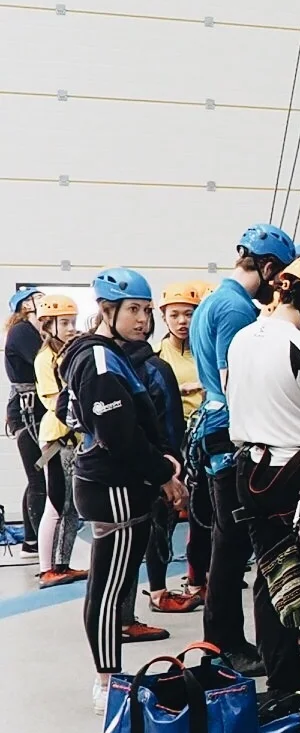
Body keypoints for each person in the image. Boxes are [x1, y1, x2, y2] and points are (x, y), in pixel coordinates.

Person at [57, 270, 188, 709]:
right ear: (107, 311)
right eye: (134, 309)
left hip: (111, 478)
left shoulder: (101, 355)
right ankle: (106, 682)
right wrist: (162, 474)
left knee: (110, 582)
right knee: (111, 587)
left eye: (147, 311)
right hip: (112, 483)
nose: (143, 320)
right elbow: (119, 434)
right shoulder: (97, 360)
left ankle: (107, 675)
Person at [226, 255, 300, 718]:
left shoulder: (240, 339)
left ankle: (283, 683)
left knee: (270, 576)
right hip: (296, 472)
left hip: (248, 470)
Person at [189, 222, 297, 676]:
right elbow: (237, 381)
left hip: (213, 431)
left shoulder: (213, 300)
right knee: (234, 548)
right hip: (230, 435)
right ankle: (226, 641)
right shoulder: (235, 309)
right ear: (269, 267)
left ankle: (225, 638)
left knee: (227, 545)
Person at [118, 315, 184, 644]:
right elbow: (171, 423)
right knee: (152, 533)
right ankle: (142, 605)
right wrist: (172, 468)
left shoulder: (97, 363)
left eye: (145, 312)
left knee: (119, 549)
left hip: (112, 471)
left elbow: (69, 410)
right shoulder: (154, 368)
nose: (141, 320)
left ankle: (121, 617)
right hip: (148, 468)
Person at [150, 282, 210, 612]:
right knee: (164, 517)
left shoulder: (205, 351)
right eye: (174, 315)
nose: (181, 321)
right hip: (172, 443)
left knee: (201, 514)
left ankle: (197, 579)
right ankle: (158, 589)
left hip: (201, 441)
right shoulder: (157, 358)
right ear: (164, 317)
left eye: (188, 314)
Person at [30, 294, 87, 587]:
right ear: (47, 326)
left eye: (72, 322)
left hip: (72, 436)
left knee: (71, 506)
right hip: (57, 437)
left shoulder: (69, 353)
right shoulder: (45, 359)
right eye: (64, 322)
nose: (70, 327)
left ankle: (62, 563)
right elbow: (55, 401)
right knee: (55, 503)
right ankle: (46, 568)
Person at [6, 287, 46, 561]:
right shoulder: (22, 332)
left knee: (37, 478)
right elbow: (43, 361)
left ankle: (32, 539)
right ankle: (32, 542)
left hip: (34, 408)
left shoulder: (34, 332)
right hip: (27, 410)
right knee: (38, 478)